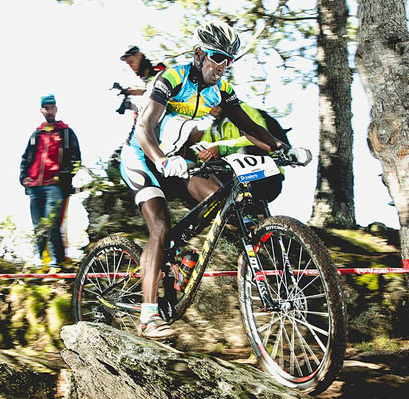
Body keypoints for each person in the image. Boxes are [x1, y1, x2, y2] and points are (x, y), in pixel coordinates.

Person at [119, 20, 310, 339]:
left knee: (224, 201)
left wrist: (283, 149)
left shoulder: (220, 90)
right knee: (160, 227)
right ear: (199, 54)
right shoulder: (172, 78)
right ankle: (148, 316)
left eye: (229, 60)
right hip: (142, 156)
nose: (223, 66)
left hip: (177, 158)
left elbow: (250, 127)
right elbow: (144, 127)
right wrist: (162, 160)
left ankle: (175, 257)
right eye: (218, 57)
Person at [19, 94, 81, 270]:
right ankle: (42, 264)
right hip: (34, 187)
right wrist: (23, 177)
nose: (49, 111)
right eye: (46, 108)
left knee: (52, 224)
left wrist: (62, 177)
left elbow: (76, 159)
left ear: (56, 108)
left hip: (54, 186)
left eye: (52, 107)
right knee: (39, 227)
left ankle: (58, 263)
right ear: (41, 110)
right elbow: (25, 158)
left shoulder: (66, 132)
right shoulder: (36, 134)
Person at [189, 102, 291, 206]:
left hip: (267, 178)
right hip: (231, 181)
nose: (212, 107)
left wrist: (221, 148)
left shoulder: (244, 110)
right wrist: (205, 157)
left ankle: (244, 197)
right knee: (198, 176)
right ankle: (226, 212)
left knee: (246, 150)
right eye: (207, 105)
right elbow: (202, 159)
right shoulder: (211, 129)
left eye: (215, 102)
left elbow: (258, 138)